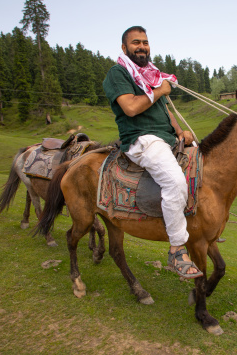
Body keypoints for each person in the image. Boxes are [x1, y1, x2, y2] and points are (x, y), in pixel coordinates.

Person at [102, 26, 202, 279]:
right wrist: (160, 90)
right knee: (175, 181)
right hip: (142, 139)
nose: (142, 47)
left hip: (165, 137)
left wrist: (180, 132)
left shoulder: (150, 74)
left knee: (203, 166)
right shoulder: (118, 73)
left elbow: (165, 111)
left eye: (145, 42)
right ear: (124, 48)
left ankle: (201, 226)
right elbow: (132, 108)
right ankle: (177, 248)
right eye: (136, 42)